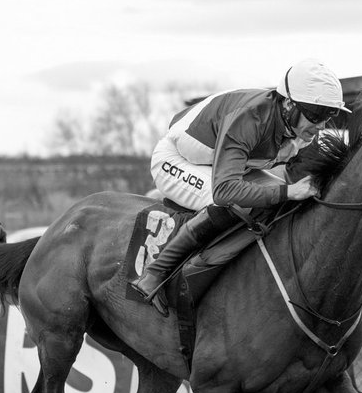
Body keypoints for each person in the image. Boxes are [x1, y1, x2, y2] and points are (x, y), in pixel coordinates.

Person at [131, 59, 349, 313]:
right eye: (317, 115)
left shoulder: (298, 127)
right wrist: (287, 191)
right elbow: (224, 191)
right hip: (176, 160)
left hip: (226, 166)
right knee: (236, 203)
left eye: (330, 115)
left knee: (286, 203)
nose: (322, 125)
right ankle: (154, 274)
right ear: (289, 104)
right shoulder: (251, 118)